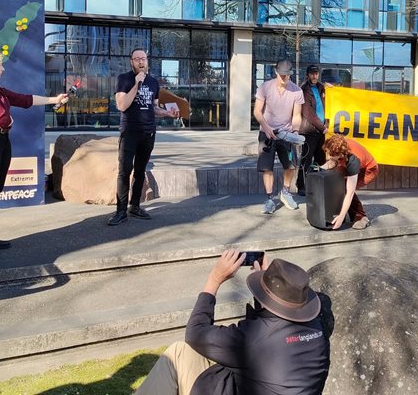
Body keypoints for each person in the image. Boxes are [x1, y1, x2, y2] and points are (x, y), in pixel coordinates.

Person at [135, 251, 329, 394]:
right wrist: (266, 291)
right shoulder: (316, 329)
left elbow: (195, 333)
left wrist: (214, 279)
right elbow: (271, 330)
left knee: (178, 352)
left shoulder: (251, 337)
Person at [0, 46, 71, 263]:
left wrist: (54, 100)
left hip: (0, 140)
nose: (3, 68)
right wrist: (7, 121)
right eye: (0, 64)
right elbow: (1, 116)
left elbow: (24, 99)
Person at [108, 48, 179, 226]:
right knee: (124, 172)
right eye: (137, 59)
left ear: (147, 61)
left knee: (140, 171)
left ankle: (135, 206)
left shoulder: (154, 82)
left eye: (143, 59)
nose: (141, 62)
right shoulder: (124, 79)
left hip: (148, 133)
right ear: (131, 61)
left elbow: (153, 108)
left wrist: (168, 113)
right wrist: (136, 84)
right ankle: (121, 211)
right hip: (129, 132)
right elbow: (122, 105)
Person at [253, 59, 304, 214]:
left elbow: (296, 115)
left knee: (290, 165)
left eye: (287, 75)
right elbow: (257, 111)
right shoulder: (265, 87)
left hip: (286, 133)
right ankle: (269, 199)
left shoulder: (297, 91)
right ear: (276, 73)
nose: (284, 78)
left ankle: (285, 192)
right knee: (267, 167)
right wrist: (266, 127)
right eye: (281, 75)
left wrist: (295, 131)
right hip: (267, 132)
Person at [320, 134, 379, 230]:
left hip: (369, 170)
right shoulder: (338, 145)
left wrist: (341, 218)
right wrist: (319, 169)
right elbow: (333, 161)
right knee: (337, 183)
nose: (328, 155)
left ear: (339, 154)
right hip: (347, 161)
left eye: (331, 154)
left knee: (344, 189)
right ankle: (340, 211)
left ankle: (361, 217)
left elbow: (350, 193)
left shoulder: (353, 161)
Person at [297, 65, 327, 197]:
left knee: (321, 159)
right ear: (308, 74)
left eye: (316, 73)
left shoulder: (321, 87)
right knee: (306, 159)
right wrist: (322, 127)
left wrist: (333, 89)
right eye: (312, 73)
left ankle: (320, 185)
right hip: (309, 131)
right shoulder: (304, 90)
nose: (315, 76)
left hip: (321, 131)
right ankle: (301, 185)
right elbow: (309, 113)